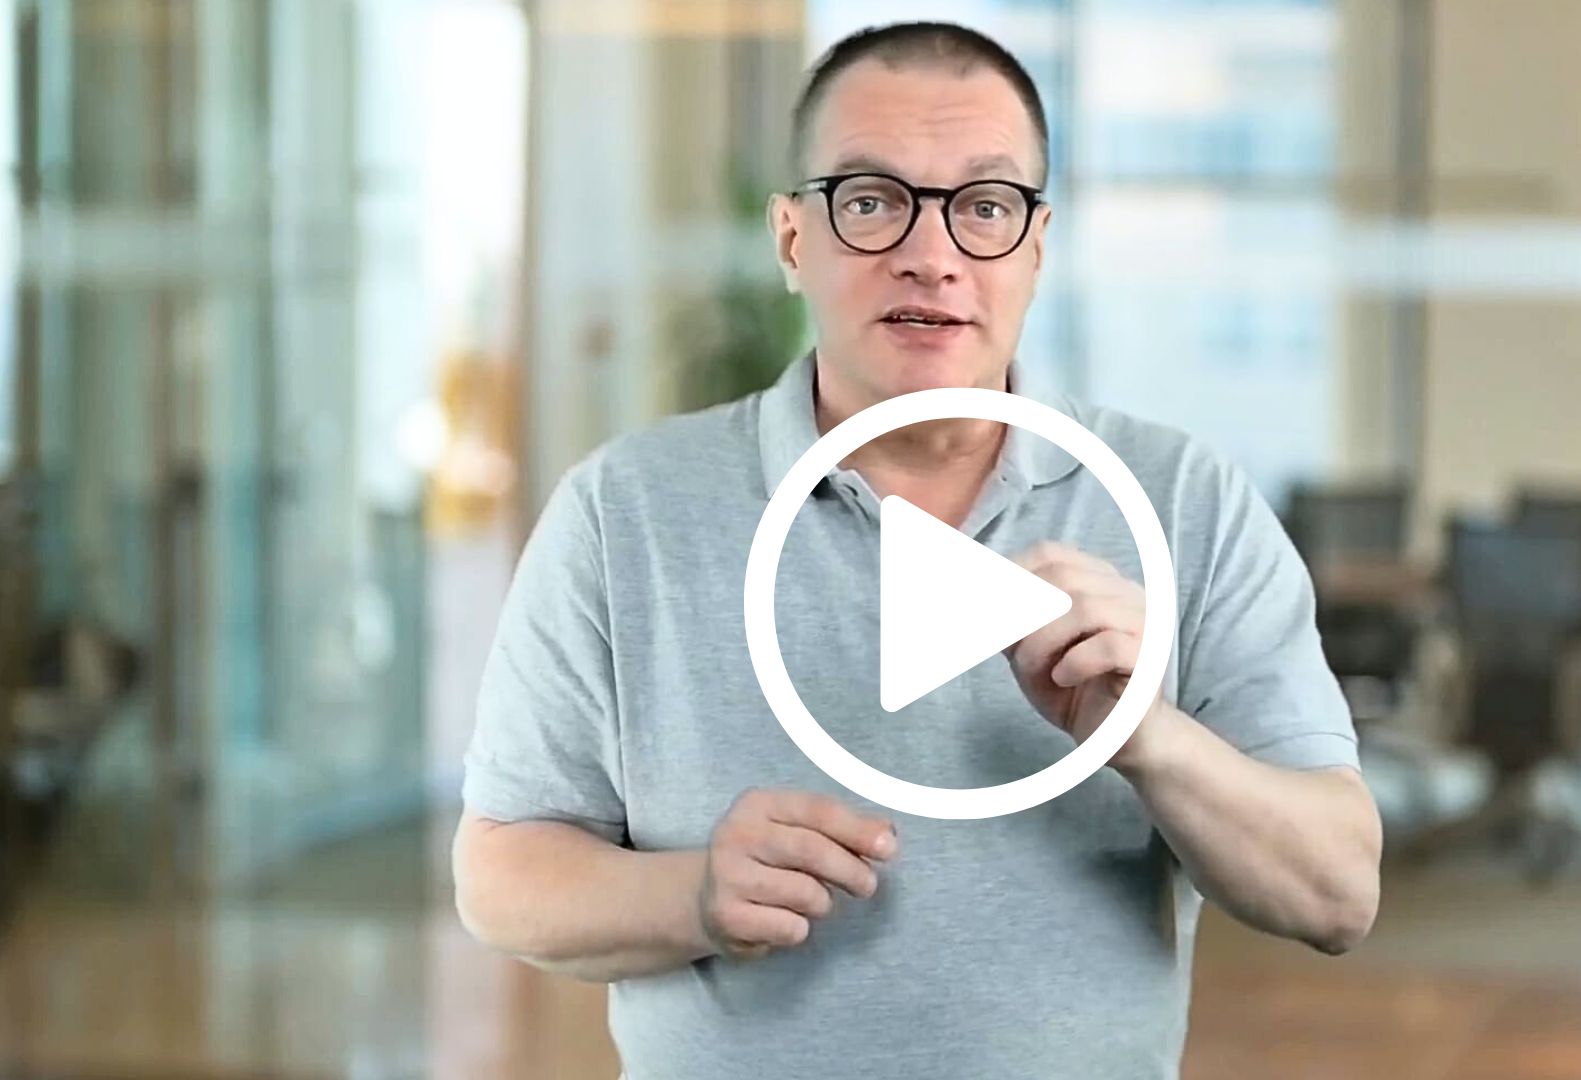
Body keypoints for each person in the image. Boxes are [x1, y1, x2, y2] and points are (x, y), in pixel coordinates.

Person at [453, 21, 1381, 1080]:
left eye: (984, 207)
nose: (931, 256)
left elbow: (1338, 893)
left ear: (1036, 248)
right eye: (870, 201)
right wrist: (695, 895)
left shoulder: (1186, 503)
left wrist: (1150, 739)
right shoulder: (623, 511)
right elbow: (501, 874)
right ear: (792, 239)